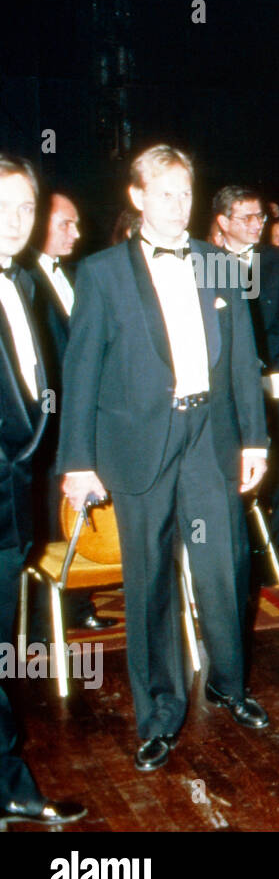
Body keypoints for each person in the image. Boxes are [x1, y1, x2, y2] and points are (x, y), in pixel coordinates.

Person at [59, 145, 270, 773]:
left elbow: (243, 360)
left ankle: (231, 686)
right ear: (138, 197)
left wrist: (255, 438)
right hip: (137, 443)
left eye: (187, 192)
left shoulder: (221, 263)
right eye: (167, 192)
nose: (180, 204)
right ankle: (159, 714)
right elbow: (83, 371)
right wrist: (78, 460)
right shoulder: (100, 273)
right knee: (148, 581)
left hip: (211, 435)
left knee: (225, 568)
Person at [0, 154, 85, 826]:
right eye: (3, 207)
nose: (16, 222)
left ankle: (7, 783)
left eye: (26, 209)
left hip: (10, 505)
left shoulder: (22, 284)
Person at [21, 191, 116, 636]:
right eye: (66, 224)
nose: (77, 234)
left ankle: (77, 605)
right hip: (43, 426)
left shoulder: (80, 275)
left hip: (78, 419)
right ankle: (44, 618)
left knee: (76, 511)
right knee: (44, 519)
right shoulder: (22, 280)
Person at [214, 186, 279, 577]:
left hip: (275, 377)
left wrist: (255, 363)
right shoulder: (210, 262)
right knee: (233, 465)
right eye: (246, 217)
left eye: (259, 217)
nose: (256, 225)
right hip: (228, 385)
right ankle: (243, 550)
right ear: (223, 222)